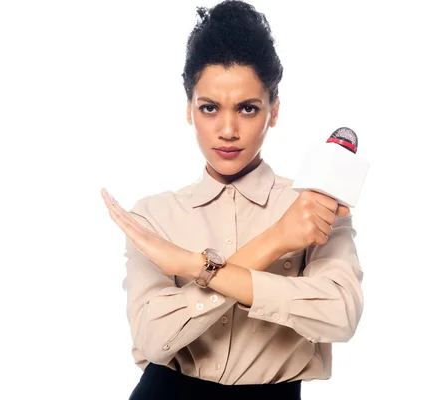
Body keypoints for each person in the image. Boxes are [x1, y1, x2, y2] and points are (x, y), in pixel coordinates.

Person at [101, 1, 364, 399]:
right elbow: (154, 339)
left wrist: (192, 266)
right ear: (190, 110)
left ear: (273, 112)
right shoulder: (154, 216)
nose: (228, 130)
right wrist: (275, 240)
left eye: (247, 108)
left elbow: (341, 316)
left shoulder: (313, 207)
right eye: (210, 108)